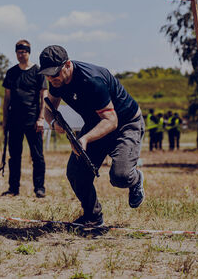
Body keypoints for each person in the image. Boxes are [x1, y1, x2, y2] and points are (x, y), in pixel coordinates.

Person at [40, 45, 144, 226]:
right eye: (47, 74)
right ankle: (93, 216)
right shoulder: (57, 80)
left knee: (120, 176)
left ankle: (135, 178)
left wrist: (85, 138)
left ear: (67, 65)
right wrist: (54, 123)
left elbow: (112, 121)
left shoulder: (92, 80)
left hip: (125, 123)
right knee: (76, 172)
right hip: (96, 123)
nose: (51, 78)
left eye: (54, 73)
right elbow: (49, 107)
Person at [2, 40, 47, 198]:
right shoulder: (11, 73)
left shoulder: (38, 72)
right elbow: (6, 98)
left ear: (29, 52)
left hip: (33, 121)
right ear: (16, 53)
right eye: (19, 52)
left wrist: (41, 118)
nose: (21, 54)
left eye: (24, 52)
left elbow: (44, 97)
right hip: (14, 121)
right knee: (14, 156)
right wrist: (5, 120)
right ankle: (13, 188)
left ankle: (39, 188)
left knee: (37, 156)